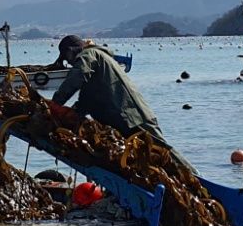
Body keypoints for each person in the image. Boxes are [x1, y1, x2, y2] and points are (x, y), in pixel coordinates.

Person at [50, 35, 187, 169]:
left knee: (167, 156)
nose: (69, 63)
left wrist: (56, 102)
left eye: (67, 58)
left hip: (133, 117)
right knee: (151, 162)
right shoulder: (98, 64)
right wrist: (69, 116)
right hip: (123, 120)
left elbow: (78, 74)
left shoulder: (90, 54)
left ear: (71, 51)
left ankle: (203, 183)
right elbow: (87, 100)